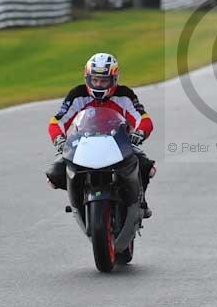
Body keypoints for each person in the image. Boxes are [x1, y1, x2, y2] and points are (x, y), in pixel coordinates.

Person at [46, 52, 156, 218]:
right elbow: (57, 121)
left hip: (119, 144)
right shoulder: (77, 94)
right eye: (94, 80)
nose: (98, 84)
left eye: (104, 80)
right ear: (87, 78)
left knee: (147, 168)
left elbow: (143, 118)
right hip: (83, 144)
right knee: (54, 175)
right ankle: (77, 199)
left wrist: (140, 133)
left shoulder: (125, 95)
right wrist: (59, 139)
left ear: (114, 79)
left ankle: (141, 202)